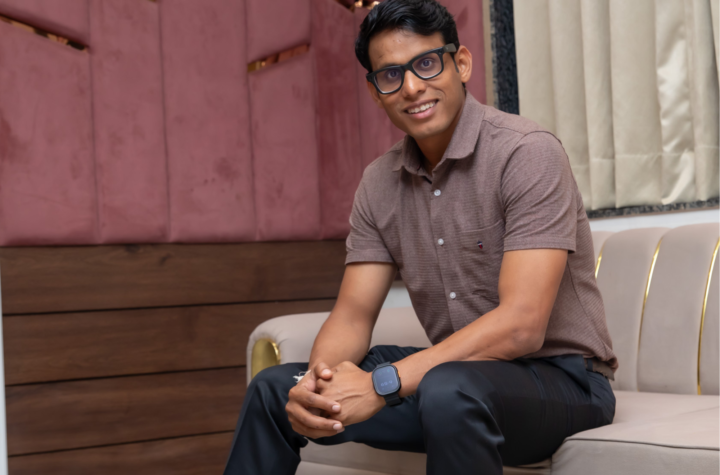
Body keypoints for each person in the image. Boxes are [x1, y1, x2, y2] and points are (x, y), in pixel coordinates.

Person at [223, 0, 617, 473]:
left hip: (565, 382)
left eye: (426, 64)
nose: (411, 87)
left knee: (448, 388)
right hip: (452, 380)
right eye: (391, 75)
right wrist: (317, 385)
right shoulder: (379, 182)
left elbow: (522, 325)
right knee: (276, 389)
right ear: (375, 92)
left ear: (461, 63)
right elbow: (351, 317)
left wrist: (381, 384)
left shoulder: (526, 153)